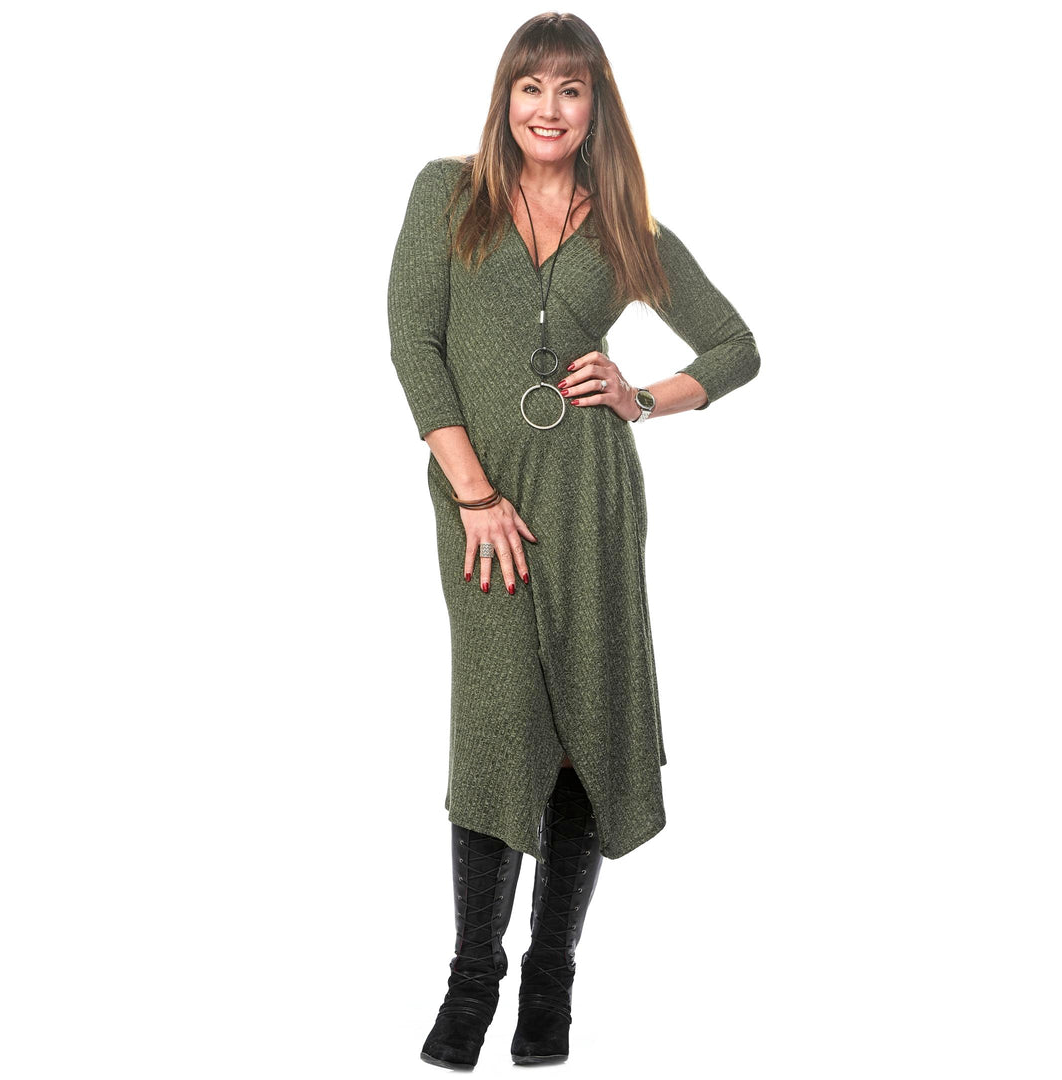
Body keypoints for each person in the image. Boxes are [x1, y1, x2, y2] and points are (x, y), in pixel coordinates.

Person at [387, 12, 761, 1069]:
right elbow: (414, 344)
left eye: (571, 89)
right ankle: (474, 979)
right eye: (531, 87)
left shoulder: (629, 229)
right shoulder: (447, 194)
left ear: (596, 107)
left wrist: (640, 398)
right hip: (484, 511)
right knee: (498, 725)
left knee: (581, 726)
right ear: (506, 99)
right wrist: (473, 495)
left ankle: (550, 977)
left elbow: (736, 347)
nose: (549, 109)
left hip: (592, 500)